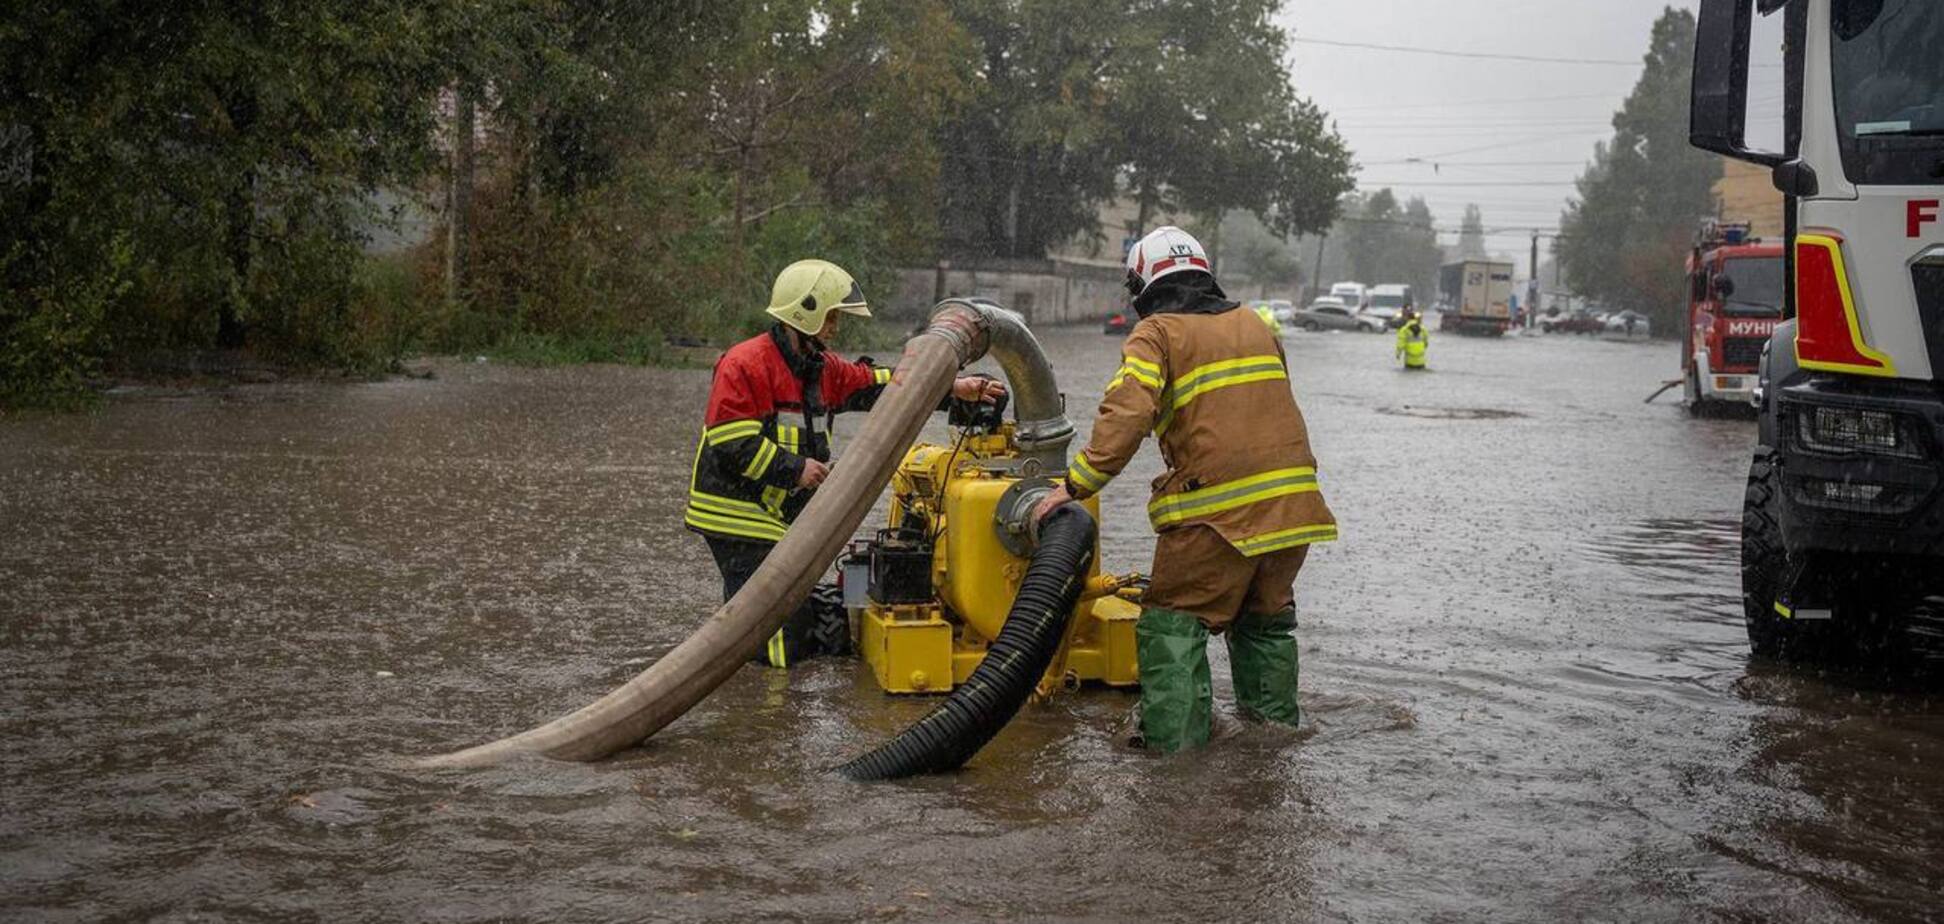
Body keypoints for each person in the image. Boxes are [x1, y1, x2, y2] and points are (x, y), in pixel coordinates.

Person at [1032, 227, 1337, 752]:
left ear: (1144, 285)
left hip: (1217, 517)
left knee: (1172, 623)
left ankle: (1176, 762)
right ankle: (1272, 746)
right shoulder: (1257, 325)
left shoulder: (1157, 334)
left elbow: (1127, 413)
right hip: (1295, 511)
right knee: (1264, 626)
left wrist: (1073, 485)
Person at [686, 259, 1006, 667]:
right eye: (831, 316)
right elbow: (731, 441)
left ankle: (763, 690)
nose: (836, 326)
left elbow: (886, 388)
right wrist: (797, 469)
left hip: (776, 514)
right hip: (735, 514)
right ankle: (768, 711)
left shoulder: (821, 368)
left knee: (774, 616)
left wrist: (952, 388)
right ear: (806, 311)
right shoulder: (745, 363)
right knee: (777, 625)